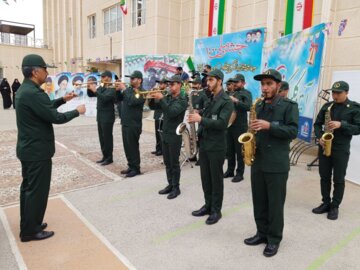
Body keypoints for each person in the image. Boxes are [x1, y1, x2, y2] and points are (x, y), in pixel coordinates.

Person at [16, 54, 86, 242]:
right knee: (36, 191)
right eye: (45, 69)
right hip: (37, 151)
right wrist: (76, 111)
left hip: (30, 150)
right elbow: (54, 117)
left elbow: (45, 108)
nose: (47, 73)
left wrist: (63, 100)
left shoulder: (27, 90)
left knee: (29, 189)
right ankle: (30, 231)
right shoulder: (33, 93)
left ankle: (31, 224)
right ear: (34, 71)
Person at [244, 69, 298, 257]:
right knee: (259, 201)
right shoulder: (258, 105)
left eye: (269, 84)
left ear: (277, 85)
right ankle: (261, 233)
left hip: (276, 163)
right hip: (258, 160)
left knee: (275, 204)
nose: (265, 88)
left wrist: (270, 126)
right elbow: (255, 129)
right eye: (263, 84)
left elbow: (292, 131)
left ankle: (274, 239)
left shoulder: (289, 105)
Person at [189, 69, 233, 225]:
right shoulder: (211, 99)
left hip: (217, 146)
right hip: (206, 143)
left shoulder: (226, 101)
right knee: (205, 178)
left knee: (216, 179)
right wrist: (199, 113)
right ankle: (207, 206)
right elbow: (207, 117)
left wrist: (200, 119)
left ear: (219, 81)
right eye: (207, 80)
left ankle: (216, 210)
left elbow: (222, 124)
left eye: (211, 80)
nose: (208, 83)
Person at [312, 81, 360, 220]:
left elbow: (358, 128)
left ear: (347, 92)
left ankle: (335, 206)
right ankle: (326, 202)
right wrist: (320, 137)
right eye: (333, 92)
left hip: (341, 148)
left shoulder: (355, 108)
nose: (335, 95)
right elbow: (317, 124)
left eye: (338, 93)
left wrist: (341, 124)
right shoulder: (327, 106)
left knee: (338, 178)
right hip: (324, 146)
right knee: (324, 177)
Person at [149, 75, 187, 199]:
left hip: (175, 135)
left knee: (174, 162)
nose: (170, 86)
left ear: (180, 85)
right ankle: (170, 184)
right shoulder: (168, 97)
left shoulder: (182, 99)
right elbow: (154, 107)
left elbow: (171, 112)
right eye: (169, 84)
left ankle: (176, 187)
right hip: (165, 133)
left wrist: (162, 99)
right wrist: (152, 97)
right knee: (167, 162)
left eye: (173, 84)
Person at [224, 74, 252, 182]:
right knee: (230, 150)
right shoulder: (230, 93)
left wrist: (236, 101)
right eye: (233, 82)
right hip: (229, 125)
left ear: (243, 83)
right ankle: (230, 170)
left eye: (237, 82)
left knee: (240, 151)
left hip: (240, 126)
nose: (234, 84)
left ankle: (240, 173)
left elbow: (248, 106)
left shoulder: (246, 93)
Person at [117, 71, 145, 178]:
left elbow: (132, 101)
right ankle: (131, 165)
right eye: (131, 78)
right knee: (127, 146)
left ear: (139, 80)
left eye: (133, 78)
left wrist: (124, 89)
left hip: (134, 124)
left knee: (133, 146)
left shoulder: (142, 92)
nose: (131, 80)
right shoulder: (128, 90)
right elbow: (119, 99)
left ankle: (136, 168)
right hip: (125, 122)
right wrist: (118, 90)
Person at [88, 70, 116, 166]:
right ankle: (105, 156)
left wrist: (95, 90)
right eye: (101, 77)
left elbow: (104, 98)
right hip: (100, 115)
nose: (101, 79)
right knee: (102, 138)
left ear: (108, 77)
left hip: (108, 116)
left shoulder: (112, 88)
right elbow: (92, 95)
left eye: (103, 77)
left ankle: (109, 158)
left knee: (107, 138)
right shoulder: (102, 87)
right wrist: (89, 87)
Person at [188, 76, 209, 164]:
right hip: (193, 117)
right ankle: (193, 154)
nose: (193, 85)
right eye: (192, 83)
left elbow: (206, 108)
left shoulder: (204, 94)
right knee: (193, 137)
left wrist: (198, 111)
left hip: (201, 118)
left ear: (200, 85)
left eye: (195, 84)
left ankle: (201, 157)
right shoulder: (192, 93)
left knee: (200, 137)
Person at [151, 77, 168, 156]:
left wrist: (158, 96)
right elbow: (152, 106)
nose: (159, 85)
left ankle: (162, 150)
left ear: (165, 84)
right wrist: (151, 97)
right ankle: (158, 148)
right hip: (157, 115)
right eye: (159, 83)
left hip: (163, 116)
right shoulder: (158, 92)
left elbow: (163, 104)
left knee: (161, 134)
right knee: (157, 134)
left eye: (161, 83)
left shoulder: (166, 93)